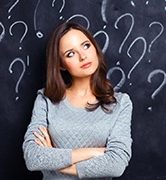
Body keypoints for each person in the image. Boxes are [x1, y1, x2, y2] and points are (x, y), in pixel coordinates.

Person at [22, 22, 133, 180]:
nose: (83, 56)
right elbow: (33, 158)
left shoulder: (120, 103)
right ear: (61, 65)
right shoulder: (46, 99)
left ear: (94, 48)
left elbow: (116, 165)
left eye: (86, 46)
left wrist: (54, 159)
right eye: (70, 54)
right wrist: (95, 152)